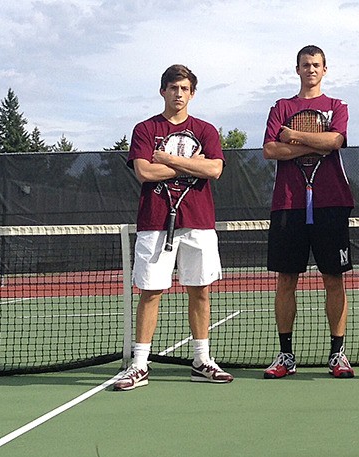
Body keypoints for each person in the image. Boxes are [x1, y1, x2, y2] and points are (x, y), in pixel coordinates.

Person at [114, 64, 232, 391]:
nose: (178, 94)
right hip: (155, 221)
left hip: (199, 222)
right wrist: (192, 166)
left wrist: (166, 159)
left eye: (184, 89)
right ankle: (139, 365)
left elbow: (214, 169)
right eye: (172, 88)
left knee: (201, 291)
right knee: (151, 292)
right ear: (162, 90)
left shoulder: (206, 129)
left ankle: (201, 360)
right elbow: (144, 173)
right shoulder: (144, 129)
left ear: (192, 93)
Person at [262, 45, 355, 379]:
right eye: (305, 65)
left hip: (332, 203)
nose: (311, 69)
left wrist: (296, 137)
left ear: (324, 70)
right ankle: (286, 355)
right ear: (297, 69)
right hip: (288, 205)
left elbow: (335, 142)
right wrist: (316, 141)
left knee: (334, 279)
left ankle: (337, 355)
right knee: (286, 280)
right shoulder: (281, 107)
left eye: (316, 65)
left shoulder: (336, 106)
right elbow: (270, 149)